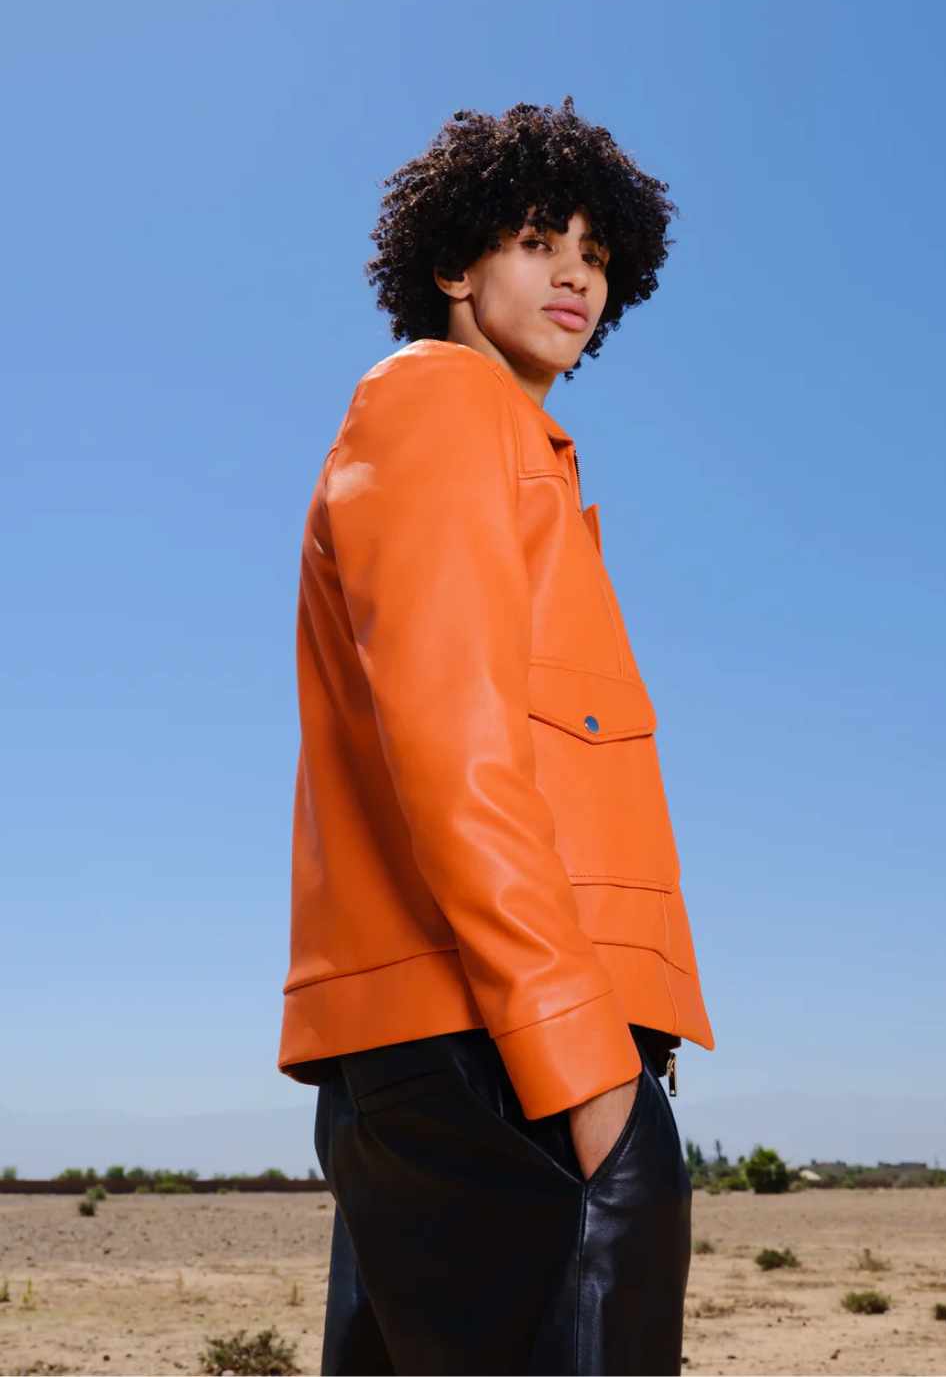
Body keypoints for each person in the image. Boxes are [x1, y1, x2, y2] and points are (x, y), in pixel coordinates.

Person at [277, 96, 715, 1375]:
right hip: (504, 1044)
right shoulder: (444, 401)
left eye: (596, 252)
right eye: (535, 240)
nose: (575, 272)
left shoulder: (516, 450)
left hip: (447, 1047)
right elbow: (453, 752)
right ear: (453, 265)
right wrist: (585, 1066)